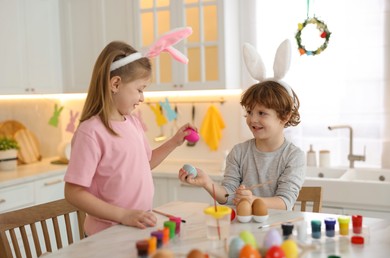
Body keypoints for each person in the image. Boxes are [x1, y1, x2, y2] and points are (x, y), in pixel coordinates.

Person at [64, 41, 194, 236]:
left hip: (135, 228)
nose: (142, 98)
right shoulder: (91, 132)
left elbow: (146, 162)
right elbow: (73, 192)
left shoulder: (132, 123)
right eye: (140, 89)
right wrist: (123, 215)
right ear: (115, 84)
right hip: (106, 237)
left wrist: (174, 141)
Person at [178, 40, 305, 211]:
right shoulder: (239, 152)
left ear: (284, 116)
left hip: (276, 230)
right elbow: (228, 196)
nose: (253, 119)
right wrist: (207, 183)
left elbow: (284, 202)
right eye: (250, 112)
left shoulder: (293, 156)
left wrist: (253, 200)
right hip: (241, 228)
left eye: (262, 113)